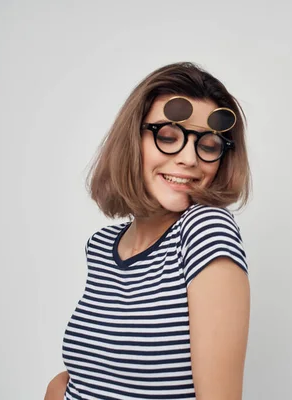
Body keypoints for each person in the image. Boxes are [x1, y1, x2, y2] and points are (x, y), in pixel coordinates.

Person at [44, 62, 252, 400]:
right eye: (168, 136)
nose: (189, 158)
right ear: (132, 140)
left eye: (210, 145)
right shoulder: (101, 247)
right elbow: (89, 375)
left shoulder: (205, 232)